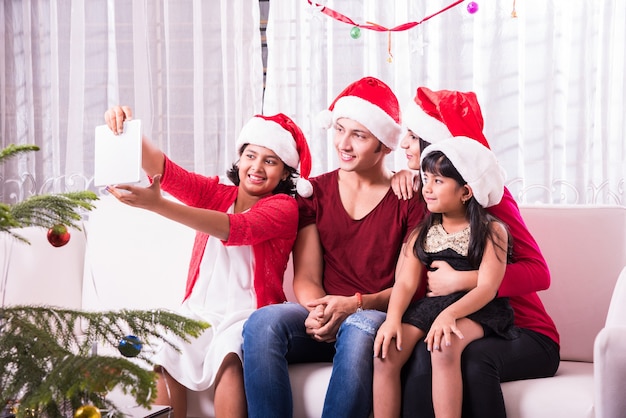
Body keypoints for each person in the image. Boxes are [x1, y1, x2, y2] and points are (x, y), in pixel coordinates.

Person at [103, 106, 312, 418]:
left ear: (284, 172)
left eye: (270, 161)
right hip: (199, 311)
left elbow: (235, 229)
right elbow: (166, 171)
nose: (256, 167)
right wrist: (127, 128)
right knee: (165, 349)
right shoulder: (216, 193)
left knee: (230, 356)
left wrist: (158, 206)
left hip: (248, 315)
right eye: (250, 156)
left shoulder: (284, 208)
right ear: (239, 159)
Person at [241, 76, 425, 418]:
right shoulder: (314, 194)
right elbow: (307, 275)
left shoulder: (409, 197)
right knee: (262, 323)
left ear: (384, 146)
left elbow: (406, 286)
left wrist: (353, 305)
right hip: (324, 314)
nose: (344, 143)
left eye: (359, 135)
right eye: (339, 129)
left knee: (358, 329)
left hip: (373, 314)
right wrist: (319, 310)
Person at [394, 87, 560, 417]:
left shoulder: (492, 202)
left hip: (520, 328)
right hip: (465, 320)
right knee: (420, 357)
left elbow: (539, 273)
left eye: (413, 136)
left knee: (468, 358)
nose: (403, 145)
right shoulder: (430, 198)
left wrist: (463, 280)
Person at [374, 136, 518, 418]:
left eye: (438, 181)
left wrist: (450, 315)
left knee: (444, 345)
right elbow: (404, 283)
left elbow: (488, 288)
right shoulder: (421, 232)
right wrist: (392, 320)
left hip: (478, 309)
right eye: (425, 178)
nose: (427, 188)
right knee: (386, 353)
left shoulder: (492, 232)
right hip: (432, 308)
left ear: (465, 192)